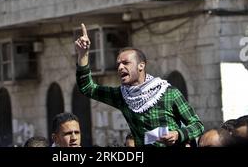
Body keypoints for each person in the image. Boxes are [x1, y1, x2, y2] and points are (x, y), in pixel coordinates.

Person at [75, 23, 204, 147]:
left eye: (126, 63)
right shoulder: (121, 96)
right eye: (118, 64)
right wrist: (83, 54)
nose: (120, 67)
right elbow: (87, 88)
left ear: (141, 65)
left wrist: (178, 134)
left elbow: (198, 125)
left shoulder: (168, 93)